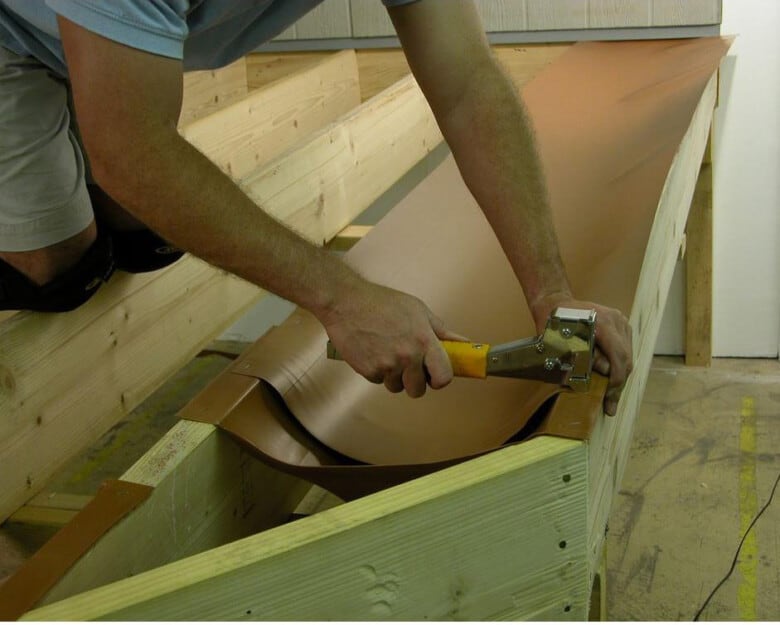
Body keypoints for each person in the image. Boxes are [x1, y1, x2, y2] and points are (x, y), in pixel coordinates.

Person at [0, 0, 632, 414]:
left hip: (94, 34)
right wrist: (342, 298)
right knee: (61, 268)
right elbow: (132, 151)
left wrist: (552, 292)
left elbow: (467, 81)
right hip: (13, 37)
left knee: (148, 241)